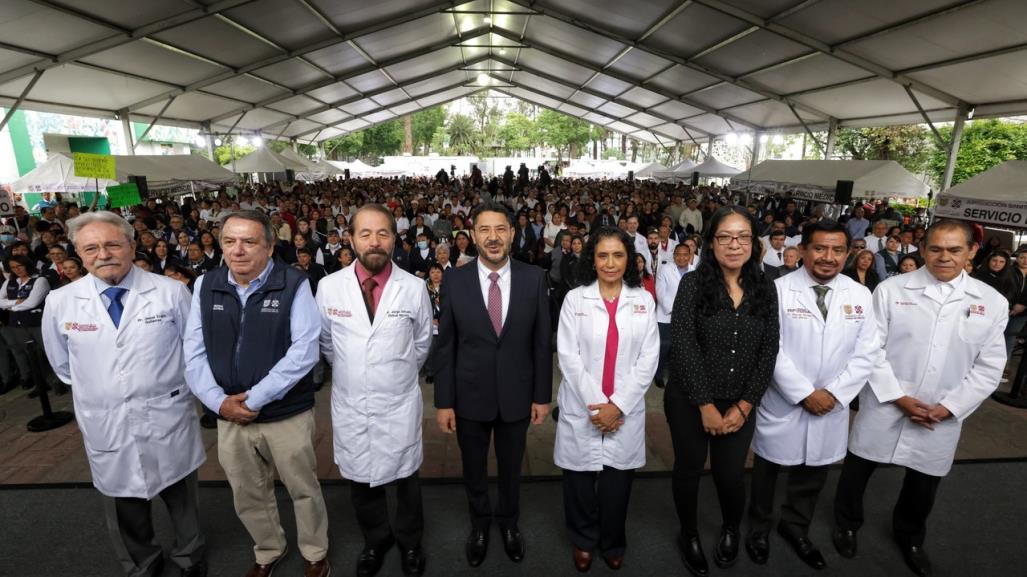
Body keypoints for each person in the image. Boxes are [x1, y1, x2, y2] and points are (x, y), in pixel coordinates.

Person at [832, 220, 1007, 577]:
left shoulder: (991, 302)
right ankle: (846, 524)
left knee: (924, 480)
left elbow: (989, 367)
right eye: (936, 248)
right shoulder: (893, 289)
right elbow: (870, 349)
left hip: (941, 410)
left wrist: (950, 407)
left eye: (955, 250)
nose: (944, 257)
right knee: (859, 465)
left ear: (972, 251)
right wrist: (898, 397)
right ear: (923, 249)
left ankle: (910, 536)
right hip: (887, 400)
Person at [41, 211, 207, 577]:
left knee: (182, 498)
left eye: (113, 244)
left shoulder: (170, 292)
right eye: (91, 247)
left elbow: (193, 352)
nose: (104, 254)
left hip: (167, 416)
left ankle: (189, 558)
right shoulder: (61, 302)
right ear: (79, 254)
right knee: (123, 503)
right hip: (106, 421)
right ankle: (141, 564)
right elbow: (62, 366)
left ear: (132, 246)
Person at [183, 210, 331, 577]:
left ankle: (315, 551)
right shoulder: (206, 285)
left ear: (268, 246)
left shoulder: (293, 283)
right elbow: (193, 351)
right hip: (229, 414)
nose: (238, 250)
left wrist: (254, 399)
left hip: (285, 413)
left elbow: (304, 351)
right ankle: (267, 550)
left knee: (302, 487)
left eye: (249, 242)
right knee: (247, 491)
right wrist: (218, 402)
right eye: (230, 241)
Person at [746, 220, 880, 570]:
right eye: (819, 248)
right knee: (767, 473)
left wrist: (834, 394)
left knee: (813, 474)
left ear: (849, 253)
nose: (828, 257)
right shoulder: (775, 289)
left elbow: (868, 353)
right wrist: (804, 392)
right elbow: (768, 348)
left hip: (831, 405)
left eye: (837, 250)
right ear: (803, 249)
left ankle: (796, 528)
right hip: (785, 401)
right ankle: (758, 530)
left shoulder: (860, 295)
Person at [316, 204, 434, 577]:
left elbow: (420, 345)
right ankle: (375, 539)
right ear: (350, 238)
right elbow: (327, 344)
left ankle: (410, 541)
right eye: (365, 233)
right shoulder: (329, 287)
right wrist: (360, 372)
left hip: (398, 401)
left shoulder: (413, 288)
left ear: (395, 238)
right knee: (361, 477)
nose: (374, 241)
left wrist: (391, 373)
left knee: (406, 479)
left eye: (383, 233)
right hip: (351, 400)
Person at [433, 200, 552, 567]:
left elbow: (541, 342)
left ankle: (509, 523)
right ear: (471, 236)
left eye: (500, 229)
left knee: (512, 469)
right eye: (484, 230)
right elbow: (447, 343)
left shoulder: (534, 278)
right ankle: (480, 524)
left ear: (513, 234)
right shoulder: (455, 279)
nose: (493, 237)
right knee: (474, 468)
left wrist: (542, 396)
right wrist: (443, 401)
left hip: (518, 395)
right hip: (468, 396)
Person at [666, 205, 779, 576]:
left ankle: (731, 528)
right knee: (688, 468)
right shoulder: (692, 284)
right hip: (690, 399)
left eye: (742, 236)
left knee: (730, 474)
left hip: (739, 401)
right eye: (725, 237)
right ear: (711, 243)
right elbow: (683, 344)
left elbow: (769, 349)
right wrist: (705, 405)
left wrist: (745, 405)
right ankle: (689, 534)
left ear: (754, 243)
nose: (734, 244)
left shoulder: (765, 287)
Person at [555, 227, 659, 572]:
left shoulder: (642, 299)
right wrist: (597, 404)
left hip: (623, 408)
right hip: (584, 405)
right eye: (602, 255)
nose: (610, 263)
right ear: (592, 259)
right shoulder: (575, 299)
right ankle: (583, 539)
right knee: (580, 483)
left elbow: (649, 359)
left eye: (618, 255)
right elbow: (568, 356)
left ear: (629, 258)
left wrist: (618, 406)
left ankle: (612, 540)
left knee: (617, 483)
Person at [0, 254, 61, 395]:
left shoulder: (40, 280)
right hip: (18, 325)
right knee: (30, 355)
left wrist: (9, 306)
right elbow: (0, 301)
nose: (17, 270)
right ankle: (41, 384)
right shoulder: (9, 282)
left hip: (37, 323)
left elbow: (32, 302)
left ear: (27, 264)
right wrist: (16, 302)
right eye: (13, 267)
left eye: (19, 266)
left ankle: (61, 381)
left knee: (50, 352)